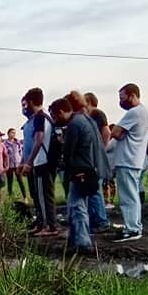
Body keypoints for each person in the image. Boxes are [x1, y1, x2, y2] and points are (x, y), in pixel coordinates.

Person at [51, 93, 109, 255]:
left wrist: (63, 150)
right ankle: (76, 240)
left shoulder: (75, 124)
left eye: (56, 115)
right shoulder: (86, 120)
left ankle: (82, 242)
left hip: (80, 170)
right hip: (89, 168)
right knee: (78, 206)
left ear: (62, 111)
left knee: (77, 207)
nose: (56, 119)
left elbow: (69, 151)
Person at [109, 83, 148, 242]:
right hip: (133, 159)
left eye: (122, 98)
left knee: (128, 197)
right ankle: (134, 226)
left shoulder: (134, 112)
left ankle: (132, 229)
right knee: (132, 195)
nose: (120, 101)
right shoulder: (142, 111)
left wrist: (118, 133)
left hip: (128, 159)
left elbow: (115, 132)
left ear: (132, 95)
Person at [21, 88, 56, 236]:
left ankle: (49, 226)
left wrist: (29, 162)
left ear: (30, 102)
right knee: (38, 194)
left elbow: (39, 140)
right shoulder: (39, 118)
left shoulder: (41, 118)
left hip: (43, 162)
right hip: (39, 162)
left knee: (43, 196)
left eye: (25, 104)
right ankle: (42, 222)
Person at [4, 128, 27, 200]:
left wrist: (22, 163)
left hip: (18, 164)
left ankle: (25, 197)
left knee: (20, 181)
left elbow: (21, 153)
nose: (13, 134)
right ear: (8, 134)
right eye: (12, 133)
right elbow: (4, 155)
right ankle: (10, 197)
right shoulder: (5, 144)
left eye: (14, 133)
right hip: (9, 165)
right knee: (9, 182)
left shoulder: (18, 143)